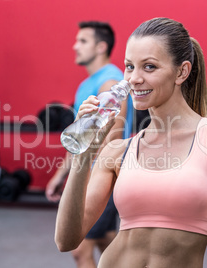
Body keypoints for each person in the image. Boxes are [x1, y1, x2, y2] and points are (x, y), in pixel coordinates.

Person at [55, 17, 207, 268]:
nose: (133, 79)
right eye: (129, 66)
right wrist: (84, 153)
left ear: (182, 71)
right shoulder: (119, 151)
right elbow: (65, 240)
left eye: (149, 67)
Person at [46, 21, 133, 267]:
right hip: (88, 173)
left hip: (99, 177)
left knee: (79, 250)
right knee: (107, 242)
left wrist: (92, 185)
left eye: (83, 41)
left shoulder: (110, 83)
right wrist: (59, 176)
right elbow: (80, 138)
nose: (75, 46)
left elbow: (112, 139)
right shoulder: (91, 82)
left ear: (101, 47)